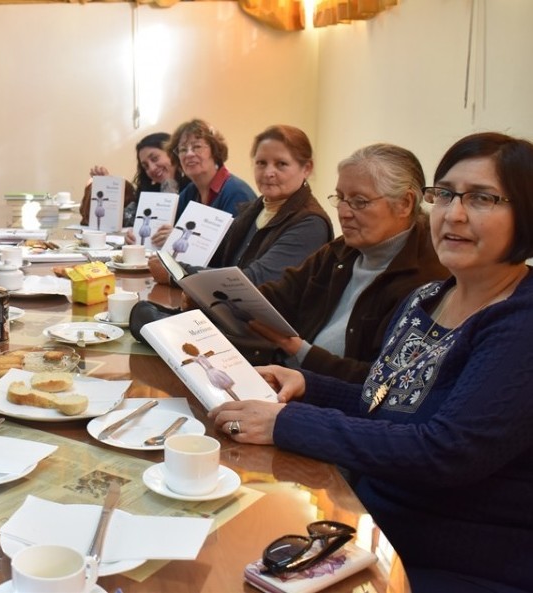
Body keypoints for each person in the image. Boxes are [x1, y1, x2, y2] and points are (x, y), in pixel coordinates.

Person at [210, 132, 533, 593]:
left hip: (453, 558)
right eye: (444, 195)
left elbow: (443, 452)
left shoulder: (520, 323)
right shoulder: (429, 299)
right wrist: (308, 384)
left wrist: (288, 423)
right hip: (368, 520)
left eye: (482, 198)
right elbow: (385, 400)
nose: (454, 213)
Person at [248, 143, 449, 382]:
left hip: (334, 404)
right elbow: (280, 295)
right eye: (341, 198)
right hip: (290, 378)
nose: (343, 212)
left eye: (359, 201)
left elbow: (381, 383)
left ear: (405, 203)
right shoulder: (342, 250)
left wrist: (298, 350)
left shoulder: (428, 279)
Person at [206, 125, 332, 286]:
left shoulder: (311, 224)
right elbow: (215, 257)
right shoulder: (255, 209)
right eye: (261, 163)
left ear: (307, 168)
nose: (268, 173)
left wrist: (179, 274)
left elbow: (253, 281)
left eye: (281, 164)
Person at [147, 119, 256, 249]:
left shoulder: (237, 193)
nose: (189, 154)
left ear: (215, 151)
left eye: (197, 147)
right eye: (182, 149)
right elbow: (167, 229)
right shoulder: (190, 192)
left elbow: (232, 251)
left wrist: (177, 236)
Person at [78, 132, 190, 228]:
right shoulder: (148, 193)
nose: (151, 168)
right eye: (145, 166)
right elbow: (124, 220)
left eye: (155, 158)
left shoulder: (194, 188)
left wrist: (169, 184)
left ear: (172, 153)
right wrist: (108, 187)